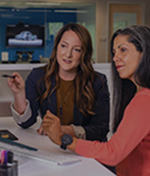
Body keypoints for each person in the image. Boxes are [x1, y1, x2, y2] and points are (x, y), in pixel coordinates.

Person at [42, 25, 150, 175]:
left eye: (123, 50)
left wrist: (63, 139)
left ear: (144, 53)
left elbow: (112, 153)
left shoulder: (145, 100)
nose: (115, 58)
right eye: (114, 52)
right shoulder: (138, 95)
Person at [7, 23, 110, 142]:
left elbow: (101, 130)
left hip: (85, 150)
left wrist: (62, 130)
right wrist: (19, 93)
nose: (68, 54)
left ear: (84, 54)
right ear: (56, 47)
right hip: (52, 148)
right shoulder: (38, 76)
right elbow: (25, 122)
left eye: (76, 49)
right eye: (64, 46)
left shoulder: (98, 82)